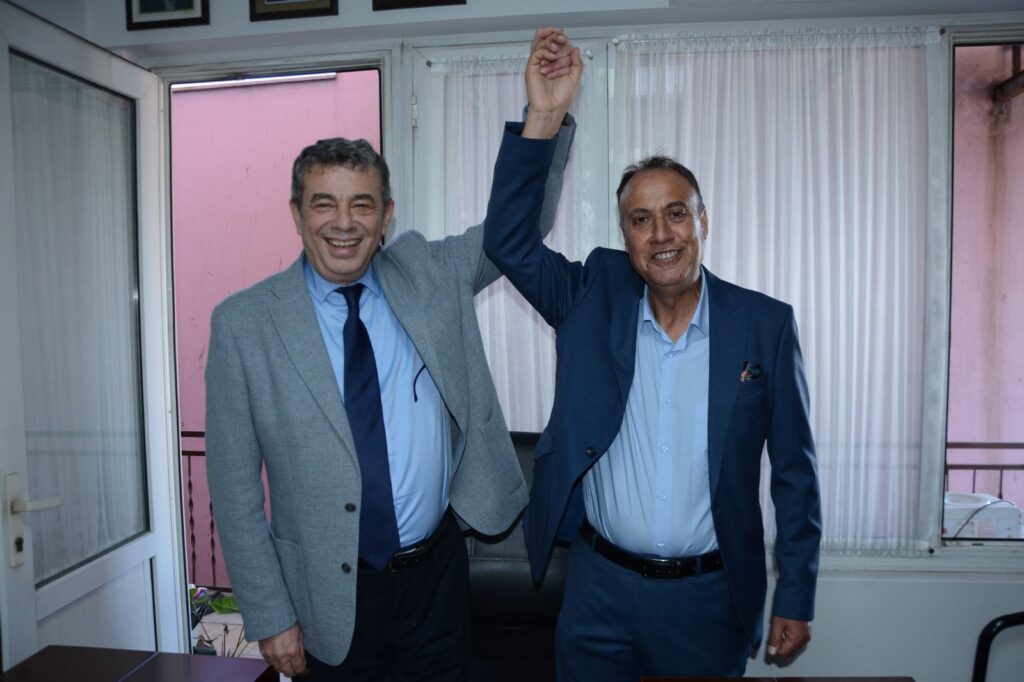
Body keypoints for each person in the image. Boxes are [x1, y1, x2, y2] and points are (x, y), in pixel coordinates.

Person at [204, 29, 577, 681]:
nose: (343, 222)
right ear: (297, 213)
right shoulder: (244, 324)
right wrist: (269, 614)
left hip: (435, 580)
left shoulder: (432, 272)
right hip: (327, 597)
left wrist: (542, 119)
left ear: (386, 216)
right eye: (324, 204)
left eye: (362, 205)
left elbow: (516, 232)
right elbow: (234, 491)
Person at [482, 77, 822, 677]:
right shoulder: (591, 296)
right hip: (599, 593)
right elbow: (508, 241)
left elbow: (795, 474)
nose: (661, 234)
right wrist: (543, 118)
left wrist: (795, 593)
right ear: (626, 238)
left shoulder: (763, 325)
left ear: (703, 221)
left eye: (676, 213)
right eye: (641, 219)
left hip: (707, 600)